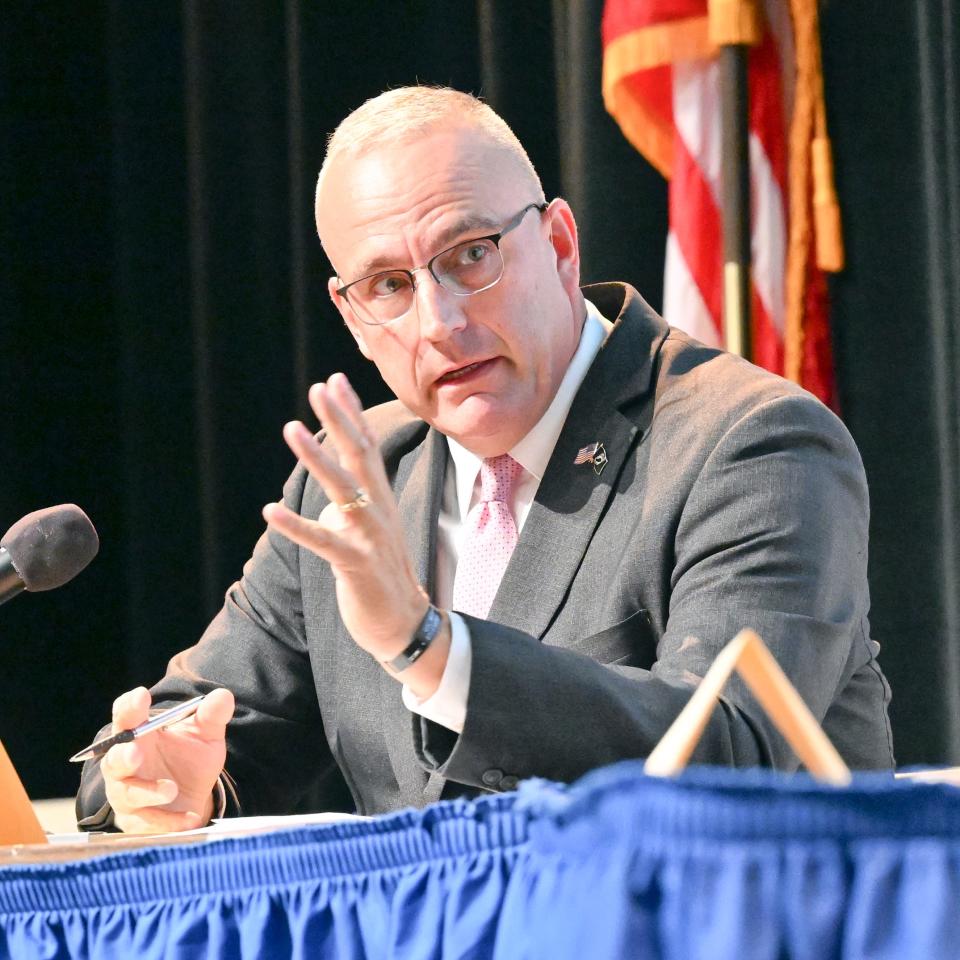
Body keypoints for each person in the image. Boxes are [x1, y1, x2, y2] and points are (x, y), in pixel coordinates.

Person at [77, 87, 894, 834]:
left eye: (470, 255)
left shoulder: (752, 441)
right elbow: (184, 726)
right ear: (352, 316)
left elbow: (729, 753)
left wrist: (427, 644)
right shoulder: (354, 484)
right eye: (389, 285)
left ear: (561, 243)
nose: (439, 321)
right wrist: (162, 780)